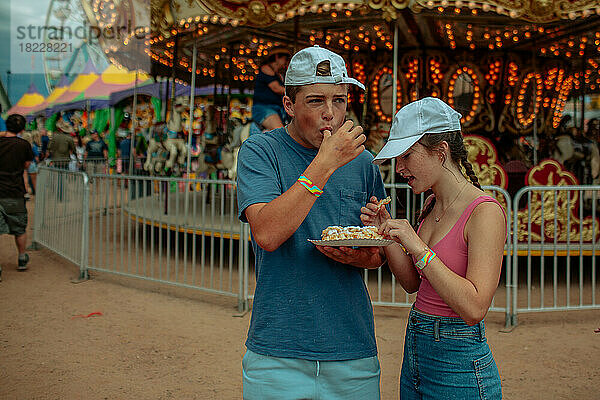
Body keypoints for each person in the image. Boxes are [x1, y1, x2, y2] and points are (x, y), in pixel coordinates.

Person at [236, 45, 386, 399]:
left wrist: (361, 256)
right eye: (316, 101)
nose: (331, 114)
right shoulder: (260, 151)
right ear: (289, 106)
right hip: (276, 352)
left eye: (339, 100)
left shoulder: (363, 162)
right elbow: (268, 234)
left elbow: (378, 253)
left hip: (352, 349)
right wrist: (326, 162)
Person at [362, 97, 506, 399]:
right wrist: (387, 235)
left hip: (459, 358)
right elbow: (414, 284)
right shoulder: (430, 204)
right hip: (417, 342)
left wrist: (417, 248)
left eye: (407, 156)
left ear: (440, 152)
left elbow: (474, 308)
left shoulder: (485, 212)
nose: (399, 167)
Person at [0, 114, 35, 281]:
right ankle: (22, 258)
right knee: (19, 227)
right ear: (22, 129)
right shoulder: (24, 145)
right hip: (15, 192)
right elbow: (26, 165)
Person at [251, 46, 290, 131]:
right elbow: (276, 88)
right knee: (280, 131)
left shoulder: (278, 75)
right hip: (264, 108)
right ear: (277, 57)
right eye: (285, 59)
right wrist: (293, 91)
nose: (286, 62)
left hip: (277, 108)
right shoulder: (266, 68)